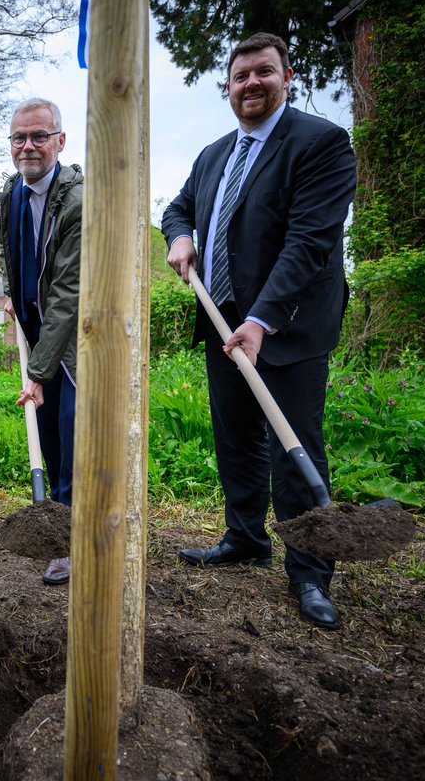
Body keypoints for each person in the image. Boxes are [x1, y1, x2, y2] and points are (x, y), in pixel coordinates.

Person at [162, 33, 357, 629]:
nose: (251, 84)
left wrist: (262, 319)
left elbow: (309, 242)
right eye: (240, 76)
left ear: (286, 77)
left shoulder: (320, 143)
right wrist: (180, 236)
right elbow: (178, 208)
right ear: (228, 85)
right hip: (222, 319)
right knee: (237, 436)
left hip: (286, 327)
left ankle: (310, 572)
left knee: (293, 440)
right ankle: (246, 538)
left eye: (263, 73)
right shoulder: (214, 153)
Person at [0, 98, 83, 585]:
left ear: (60, 141)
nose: (28, 146)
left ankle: (73, 542)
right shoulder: (12, 191)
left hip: (73, 340)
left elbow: (70, 293)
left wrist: (39, 371)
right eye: (19, 138)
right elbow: (13, 251)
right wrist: (12, 292)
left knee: (71, 433)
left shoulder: (76, 200)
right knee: (48, 433)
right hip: (36, 328)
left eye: (39, 136)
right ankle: (58, 523)